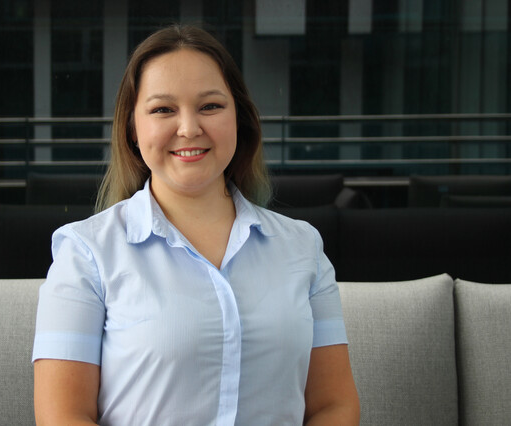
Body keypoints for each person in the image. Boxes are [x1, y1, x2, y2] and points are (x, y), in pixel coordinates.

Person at [32, 24, 359, 425]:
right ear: (132, 128)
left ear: (239, 117)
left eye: (210, 106)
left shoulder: (302, 248)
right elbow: (63, 417)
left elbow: (334, 406)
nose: (189, 128)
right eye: (163, 109)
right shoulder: (85, 254)